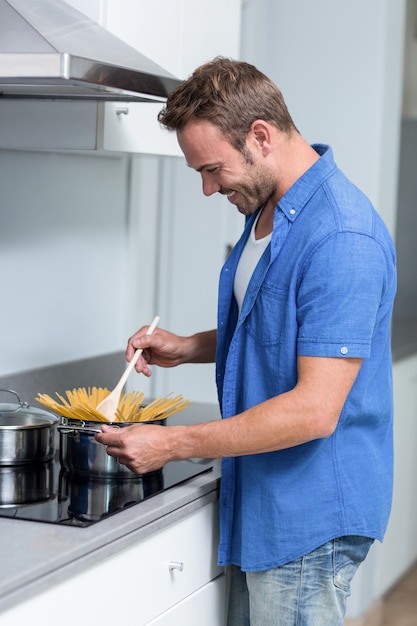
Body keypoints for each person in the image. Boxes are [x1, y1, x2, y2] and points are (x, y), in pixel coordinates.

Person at [96, 57, 397, 625]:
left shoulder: (340, 236)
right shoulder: (270, 210)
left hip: (307, 514)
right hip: (263, 494)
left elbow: (314, 410)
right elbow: (275, 329)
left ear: (260, 135)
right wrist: (186, 347)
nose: (209, 189)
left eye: (212, 169)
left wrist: (171, 444)